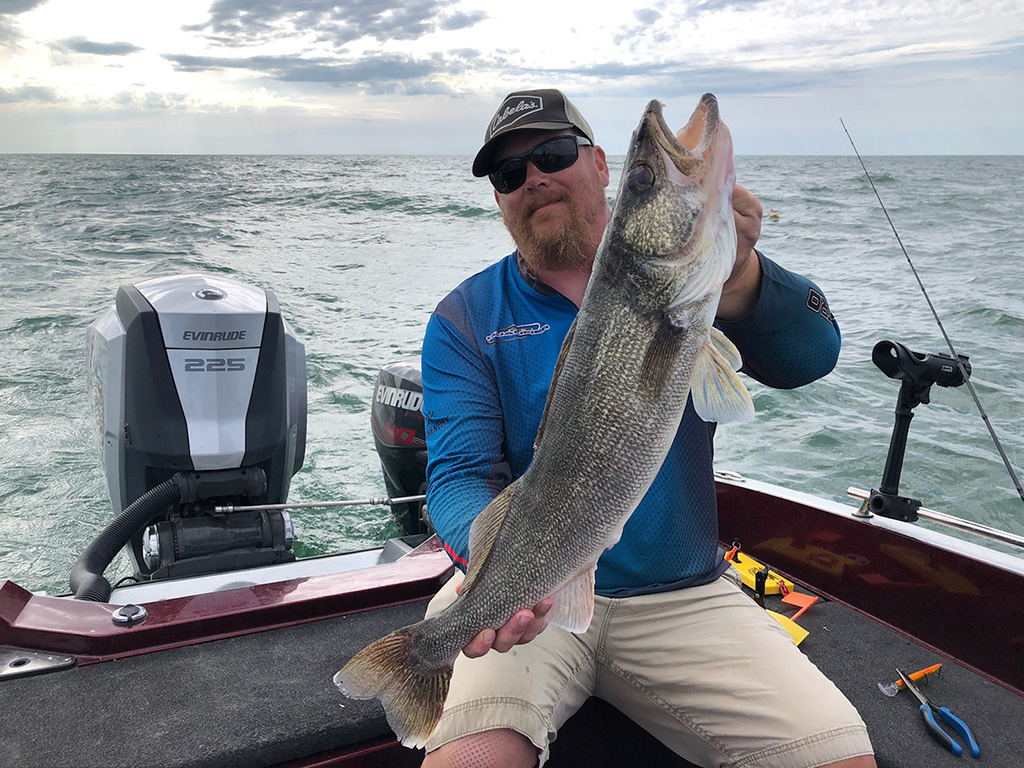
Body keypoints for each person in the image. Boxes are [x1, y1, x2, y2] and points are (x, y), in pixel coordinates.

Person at [418, 89, 875, 768]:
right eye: (509, 174)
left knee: (840, 756)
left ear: (600, 164)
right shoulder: (463, 317)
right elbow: (457, 477)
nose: (533, 177)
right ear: (498, 199)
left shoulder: (697, 284)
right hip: (530, 595)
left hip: (683, 595)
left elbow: (812, 356)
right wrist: (498, 571)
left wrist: (744, 276)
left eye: (552, 153)